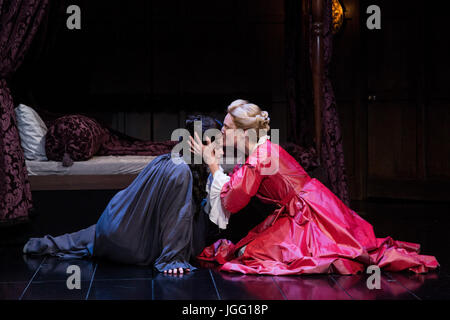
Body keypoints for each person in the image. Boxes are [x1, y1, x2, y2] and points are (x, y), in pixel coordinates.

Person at [189, 99, 439, 275]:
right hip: (311, 205)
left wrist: (213, 166)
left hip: (308, 215)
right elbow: (239, 185)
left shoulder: (260, 156)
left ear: (244, 134)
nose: (222, 132)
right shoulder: (262, 151)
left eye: (227, 128)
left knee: (250, 256)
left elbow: (232, 200)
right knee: (248, 251)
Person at [23, 115, 223, 275]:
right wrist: (173, 259)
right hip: (126, 232)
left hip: (123, 225)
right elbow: (177, 216)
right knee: (81, 241)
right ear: (201, 143)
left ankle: (41, 245)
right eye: (219, 145)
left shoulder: (193, 167)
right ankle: (41, 246)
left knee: (75, 241)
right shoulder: (179, 169)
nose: (222, 151)